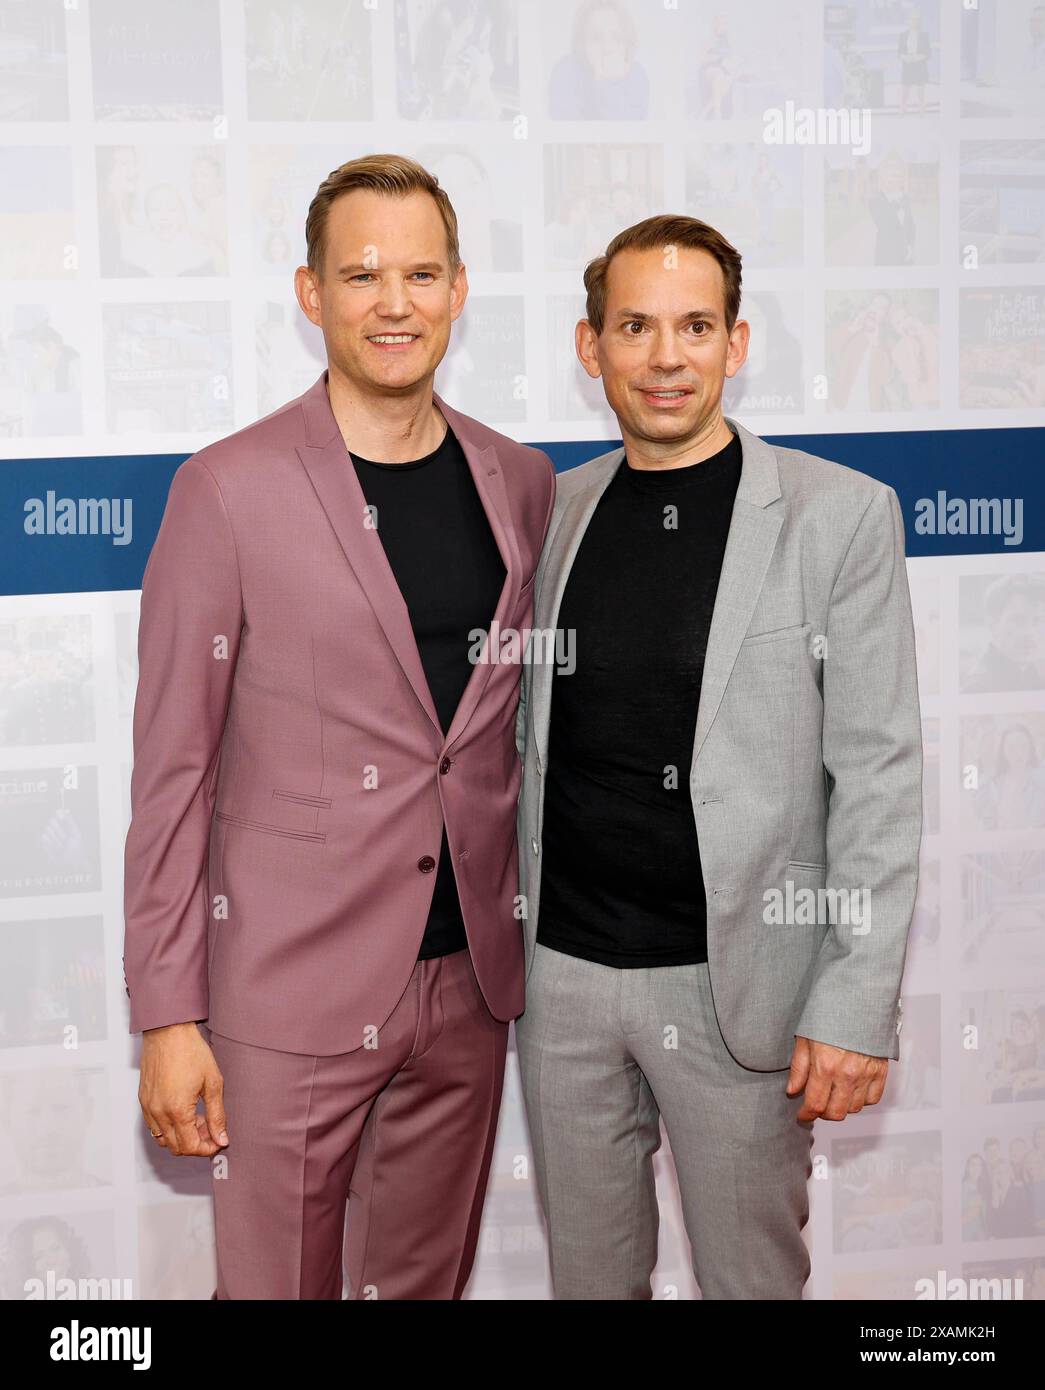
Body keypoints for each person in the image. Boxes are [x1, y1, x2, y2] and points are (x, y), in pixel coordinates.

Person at [123, 152, 555, 1299]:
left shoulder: (518, 482)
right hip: (285, 995)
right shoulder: (226, 490)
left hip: (465, 986)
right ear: (311, 293)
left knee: (421, 1288)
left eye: (421, 273)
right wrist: (168, 1014)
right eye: (361, 274)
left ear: (460, 289)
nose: (394, 302)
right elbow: (172, 771)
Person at [514, 214, 923, 1299]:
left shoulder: (840, 518)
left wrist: (853, 1001)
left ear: (735, 343)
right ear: (588, 345)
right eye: (635, 326)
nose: (665, 356)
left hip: (740, 991)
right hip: (561, 982)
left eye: (695, 325)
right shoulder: (550, 514)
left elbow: (880, 779)